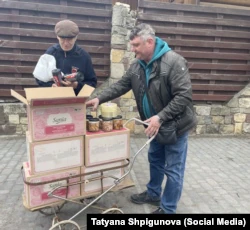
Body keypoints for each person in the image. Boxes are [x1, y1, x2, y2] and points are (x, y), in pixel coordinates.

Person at [86, 23, 197, 214]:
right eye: (132, 45)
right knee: (154, 160)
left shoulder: (174, 62)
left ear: (150, 42)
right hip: (153, 125)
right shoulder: (138, 65)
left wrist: (160, 117)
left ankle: (168, 210)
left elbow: (184, 97)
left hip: (175, 126)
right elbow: (121, 85)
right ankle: (153, 194)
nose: (132, 49)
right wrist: (99, 98)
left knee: (173, 169)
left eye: (136, 45)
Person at [35, 19, 97, 95]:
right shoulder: (50, 54)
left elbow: (92, 83)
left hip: (75, 101)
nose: (66, 44)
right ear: (57, 37)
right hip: (52, 99)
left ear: (76, 37)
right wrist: (51, 86)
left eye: (70, 39)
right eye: (62, 39)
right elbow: (39, 78)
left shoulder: (84, 56)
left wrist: (76, 85)